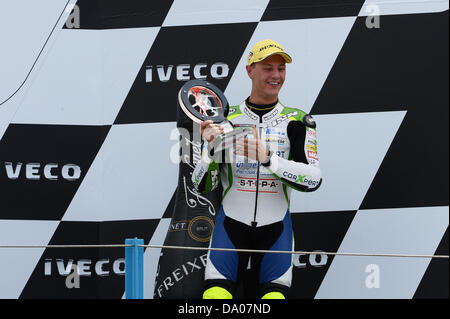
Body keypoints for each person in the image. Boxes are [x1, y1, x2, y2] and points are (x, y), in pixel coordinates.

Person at [192, 39, 322, 299]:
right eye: (268, 68)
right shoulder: (226, 119)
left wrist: (268, 159)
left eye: (281, 69)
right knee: (215, 297)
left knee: (274, 298)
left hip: (276, 227)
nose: (276, 76)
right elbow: (201, 184)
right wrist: (211, 151)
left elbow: (313, 179)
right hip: (231, 225)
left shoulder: (298, 120)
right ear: (250, 70)